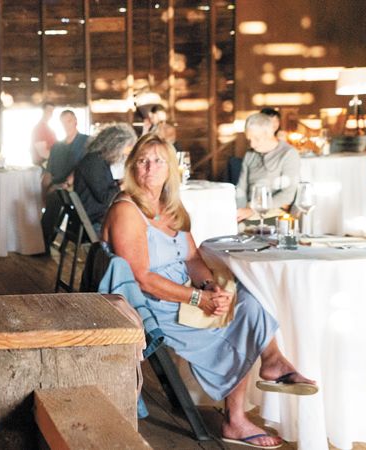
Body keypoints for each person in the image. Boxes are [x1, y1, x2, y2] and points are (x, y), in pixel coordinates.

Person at [101, 133, 316, 448]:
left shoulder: (169, 206)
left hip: (178, 293)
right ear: (133, 166)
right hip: (148, 306)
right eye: (143, 161)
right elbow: (142, 278)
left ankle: (273, 362)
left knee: (245, 299)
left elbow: (191, 257)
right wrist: (198, 298)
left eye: (159, 161)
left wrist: (209, 285)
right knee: (235, 318)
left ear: (171, 168)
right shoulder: (127, 209)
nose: (150, 168)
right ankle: (236, 418)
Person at [235, 113, 300, 222]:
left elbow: (288, 195)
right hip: (249, 213)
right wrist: (238, 213)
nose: (252, 144)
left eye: (256, 138)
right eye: (249, 139)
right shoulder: (250, 154)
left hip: (274, 213)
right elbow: (241, 189)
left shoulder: (288, 154)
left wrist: (253, 209)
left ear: (270, 133)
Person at [41, 110, 89, 250]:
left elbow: (85, 167)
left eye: (68, 121)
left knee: (56, 196)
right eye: (62, 122)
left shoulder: (86, 142)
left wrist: (65, 184)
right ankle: (40, 242)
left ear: (75, 121)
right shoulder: (57, 146)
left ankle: (44, 243)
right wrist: (43, 192)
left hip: (76, 187)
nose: (66, 125)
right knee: (50, 196)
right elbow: (49, 173)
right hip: (58, 187)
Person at [73, 123, 136, 230]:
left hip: (95, 215)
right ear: (116, 145)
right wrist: (123, 186)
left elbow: (102, 186)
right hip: (93, 220)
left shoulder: (99, 160)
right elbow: (105, 198)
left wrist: (118, 183)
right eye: (128, 146)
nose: (129, 151)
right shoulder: (94, 162)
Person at [31, 102, 56, 166]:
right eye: (49, 110)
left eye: (52, 111)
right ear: (43, 111)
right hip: (43, 167)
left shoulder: (49, 129)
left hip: (50, 165)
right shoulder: (39, 128)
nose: (50, 113)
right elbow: (43, 153)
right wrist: (60, 158)